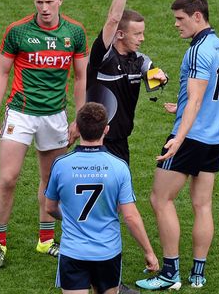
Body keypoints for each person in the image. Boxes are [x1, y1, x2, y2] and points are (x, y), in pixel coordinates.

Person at [0, 0, 88, 268]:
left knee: (50, 180)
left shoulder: (75, 33)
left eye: (49, 2)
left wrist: (79, 119)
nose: (44, 7)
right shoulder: (17, 31)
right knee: (7, 178)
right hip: (21, 113)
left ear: (60, 0)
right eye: (39, 2)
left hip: (55, 116)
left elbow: (81, 78)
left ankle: (45, 240)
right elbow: (1, 72)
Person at [136, 0, 219, 290]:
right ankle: (198, 275)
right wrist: (182, 105)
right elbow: (216, 95)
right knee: (202, 205)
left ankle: (169, 274)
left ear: (197, 17)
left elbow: (196, 99)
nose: (176, 25)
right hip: (215, 138)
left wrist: (178, 137)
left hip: (190, 138)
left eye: (180, 19)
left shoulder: (197, 51)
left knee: (159, 199)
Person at [45, 102, 160, 294]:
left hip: (73, 252)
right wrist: (149, 252)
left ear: (78, 128)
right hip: (107, 252)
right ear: (106, 129)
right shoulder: (119, 167)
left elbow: (49, 208)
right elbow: (131, 217)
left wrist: (69, 218)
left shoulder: (61, 165)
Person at [86, 0, 168, 164]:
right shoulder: (102, 57)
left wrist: (161, 77)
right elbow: (113, 19)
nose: (142, 38)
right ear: (120, 34)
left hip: (121, 141)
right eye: (137, 34)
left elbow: (154, 81)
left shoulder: (139, 60)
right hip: (97, 140)